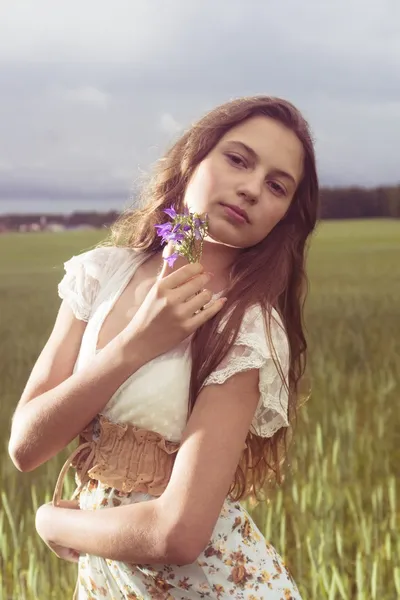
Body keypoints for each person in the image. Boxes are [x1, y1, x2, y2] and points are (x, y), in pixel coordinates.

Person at [8, 95, 319, 599]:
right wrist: (137, 343)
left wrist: (53, 521)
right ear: (192, 157)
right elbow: (26, 446)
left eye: (276, 186)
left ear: (284, 215)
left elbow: (178, 534)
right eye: (238, 159)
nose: (251, 188)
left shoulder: (247, 325)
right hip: (110, 582)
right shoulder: (102, 273)